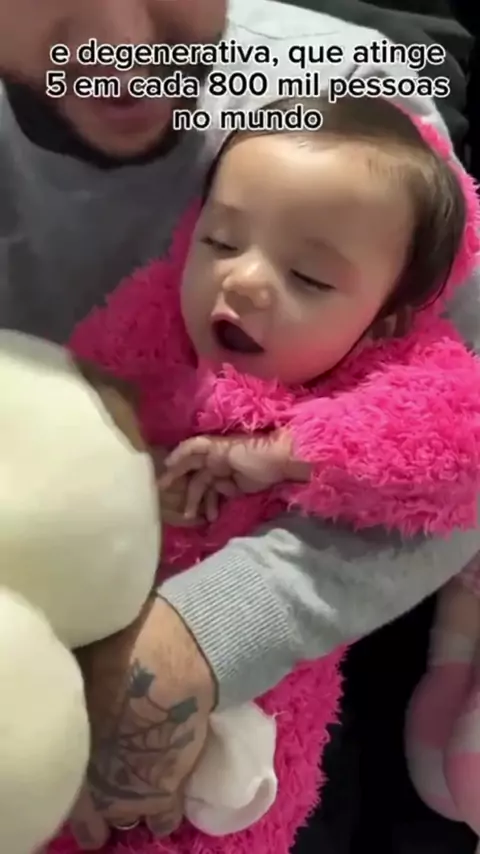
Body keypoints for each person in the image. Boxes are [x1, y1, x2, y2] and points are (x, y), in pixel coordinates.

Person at [0, 0, 478, 850]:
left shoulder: (344, 96)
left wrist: (203, 633)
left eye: (308, 277)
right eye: (219, 243)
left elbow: (458, 441)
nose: (122, 41)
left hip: (275, 685)